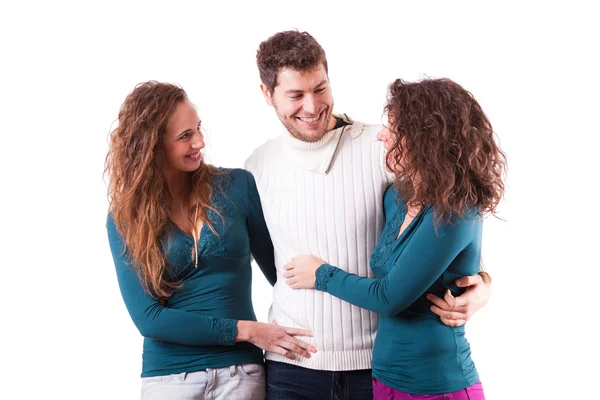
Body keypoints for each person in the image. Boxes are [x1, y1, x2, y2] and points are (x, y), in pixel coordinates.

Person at [244, 30, 493, 399]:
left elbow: (447, 230)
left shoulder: (385, 146)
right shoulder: (257, 166)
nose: (311, 107)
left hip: (374, 363)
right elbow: (271, 263)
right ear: (267, 94)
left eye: (320, 89)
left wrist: (482, 285)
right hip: (291, 365)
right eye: (295, 95)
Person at [284, 78, 507, 399]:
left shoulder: (457, 212)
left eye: (395, 129)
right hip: (385, 381)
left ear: (427, 140)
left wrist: (321, 275)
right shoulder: (397, 197)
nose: (382, 135)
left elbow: (389, 297)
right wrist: (485, 282)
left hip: (437, 385)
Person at [105, 81, 316, 399]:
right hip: (169, 379)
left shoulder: (236, 186)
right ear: (153, 145)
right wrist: (245, 330)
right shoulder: (125, 218)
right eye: (185, 136)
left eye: (198, 129)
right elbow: (149, 319)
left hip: (240, 374)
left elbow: (282, 272)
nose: (200, 142)